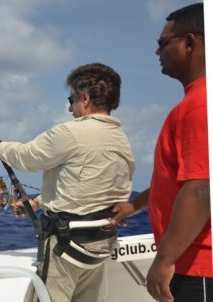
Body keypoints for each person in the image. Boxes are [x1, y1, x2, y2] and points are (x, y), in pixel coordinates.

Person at [0, 63, 135, 301]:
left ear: (84, 98)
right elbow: (87, 187)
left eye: (71, 99)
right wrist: (39, 202)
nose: (70, 108)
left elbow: (27, 158)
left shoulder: (70, 132)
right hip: (101, 243)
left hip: (68, 246)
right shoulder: (120, 137)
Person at [112, 3, 211, 302]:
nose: (157, 52)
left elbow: (202, 189)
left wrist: (165, 259)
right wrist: (134, 206)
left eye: (162, 43)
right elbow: (184, 179)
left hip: (197, 268)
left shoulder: (200, 105)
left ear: (190, 42)